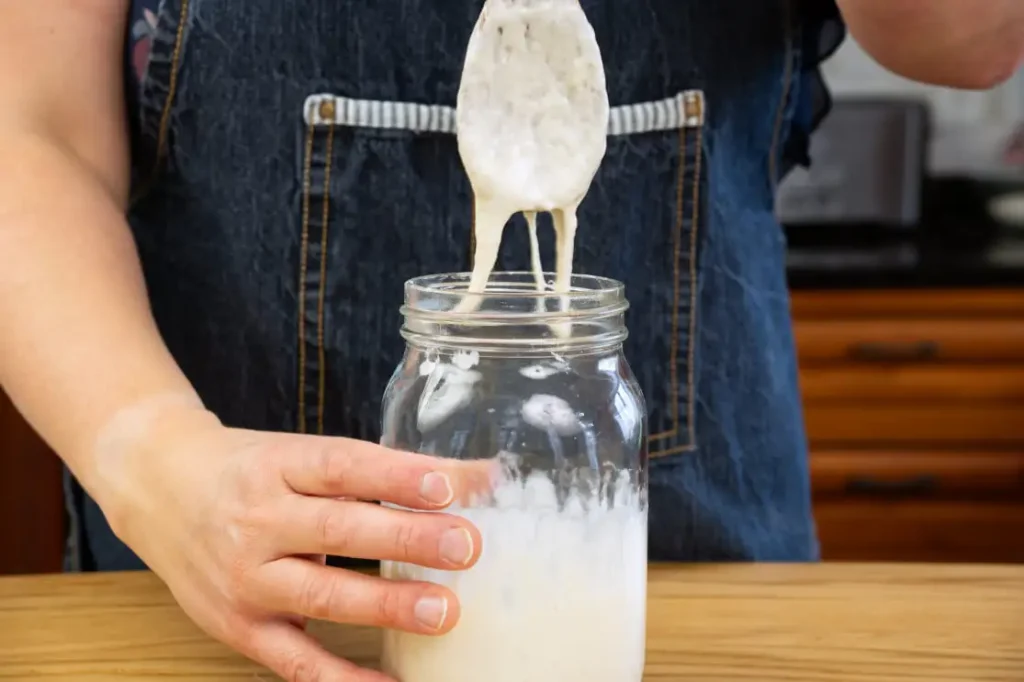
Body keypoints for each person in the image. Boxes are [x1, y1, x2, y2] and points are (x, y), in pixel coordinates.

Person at [1, 1, 1020, 680]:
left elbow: (972, 40)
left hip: (710, 599)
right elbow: (26, 126)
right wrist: (150, 448)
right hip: (226, 599)